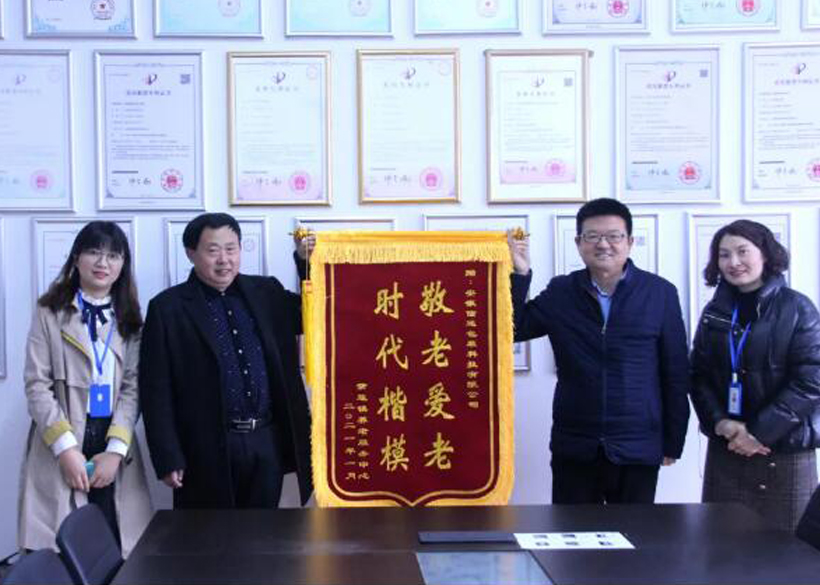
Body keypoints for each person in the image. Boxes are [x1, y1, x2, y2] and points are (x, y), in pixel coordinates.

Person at [507, 198, 690, 504]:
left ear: (630, 242)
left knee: (634, 531)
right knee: (572, 531)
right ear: (579, 243)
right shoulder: (562, 291)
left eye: (614, 236)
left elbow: (676, 372)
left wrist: (673, 441)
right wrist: (521, 274)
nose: (603, 244)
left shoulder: (660, 293)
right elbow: (514, 328)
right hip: (576, 443)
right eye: (592, 236)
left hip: (637, 444)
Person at [140, 213, 314, 509]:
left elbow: (314, 314)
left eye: (231, 249)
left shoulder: (266, 292)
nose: (224, 260)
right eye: (213, 250)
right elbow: (155, 390)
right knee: (207, 533)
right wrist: (167, 456)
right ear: (190, 253)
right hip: (205, 445)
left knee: (265, 530)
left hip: (266, 439)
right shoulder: (167, 308)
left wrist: (304, 263)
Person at [18, 221, 152, 556]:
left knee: (115, 541)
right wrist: (66, 449)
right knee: (60, 548)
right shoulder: (49, 311)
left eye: (113, 256)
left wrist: (115, 451)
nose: (103, 263)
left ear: (123, 265)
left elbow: (133, 389)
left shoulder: (130, 318)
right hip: (61, 435)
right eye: (94, 252)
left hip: (113, 437)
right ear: (76, 257)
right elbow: (37, 384)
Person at [690, 219, 820, 531]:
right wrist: (720, 422)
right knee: (722, 545)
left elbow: (811, 380)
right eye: (724, 255)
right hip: (728, 447)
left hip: (782, 448)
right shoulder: (715, 312)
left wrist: (758, 433)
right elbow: (697, 375)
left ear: (765, 253)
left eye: (742, 251)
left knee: (786, 550)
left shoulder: (797, 307)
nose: (733, 262)